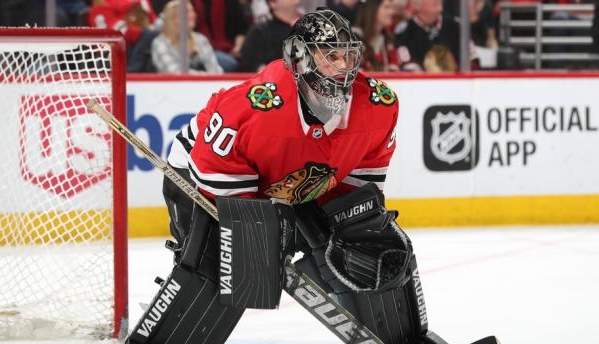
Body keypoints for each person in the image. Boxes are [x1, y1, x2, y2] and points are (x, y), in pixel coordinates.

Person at [126, 8, 443, 344]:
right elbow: (211, 170)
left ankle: (403, 337)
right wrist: (259, 232)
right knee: (224, 264)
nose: (342, 68)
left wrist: (350, 225)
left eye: (348, 56)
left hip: (296, 182)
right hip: (203, 173)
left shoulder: (378, 105)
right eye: (329, 56)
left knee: (368, 244)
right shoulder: (257, 108)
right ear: (300, 58)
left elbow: (358, 190)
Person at [151, 0, 223, 74]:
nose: (193, 15)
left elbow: (216, 71)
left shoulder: (201, 39)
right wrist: (205, 77)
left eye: (192, 11)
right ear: (173, 18)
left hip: (207, 84)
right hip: (176, 85)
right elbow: (174, 73)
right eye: (187, 12)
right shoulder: (160, 43)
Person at [239, 0, 302, 72]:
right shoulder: (260, 31)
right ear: (272, 3)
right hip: (274, 80)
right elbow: (248, 62)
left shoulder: (309, 26)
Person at [353, 0, 412, 71]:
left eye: (391, 8)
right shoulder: (353, 37)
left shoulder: (387, 39)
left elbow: (397, 67)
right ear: (372, 10)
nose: (391, 12)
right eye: (386, 7)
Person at [192, 0, 249, 72]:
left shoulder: (230, 2)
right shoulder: (190, 4)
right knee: (230, 63)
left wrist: (237, 48)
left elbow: (242, 29)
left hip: (229, 49)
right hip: (200, 49)